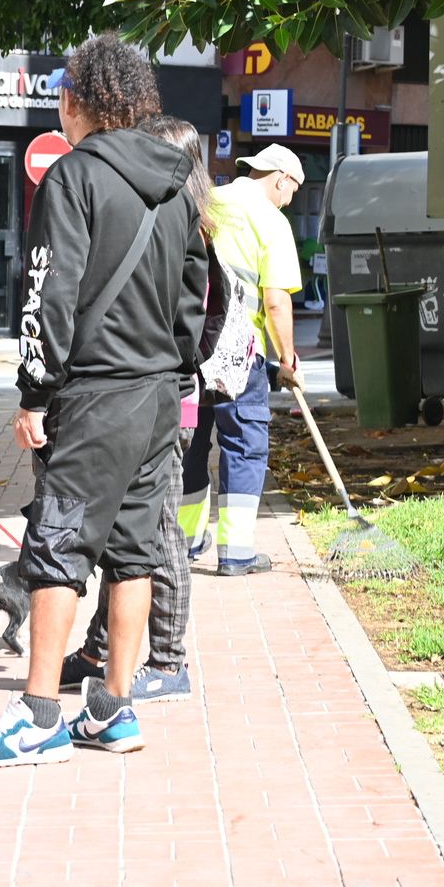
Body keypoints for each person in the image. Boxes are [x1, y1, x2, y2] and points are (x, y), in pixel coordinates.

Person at [0, 35, 207, 767]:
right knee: (135, 553)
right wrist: (176, 372)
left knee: (58, 545)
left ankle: (37, 715)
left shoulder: (73, 177)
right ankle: (113, 708)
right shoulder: (177, 179)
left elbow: (46, 293)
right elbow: (196, 289)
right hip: (160, 392)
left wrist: (35, 392)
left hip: (95, 392)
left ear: (79, 100)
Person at [61, 114, 216, 704]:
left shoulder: (190, 224)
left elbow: (197, 322)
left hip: (166, 401)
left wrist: (174, 375)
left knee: (157, 536)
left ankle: (169, 659)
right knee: (124, 534)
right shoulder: (167, 215)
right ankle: (102, 647)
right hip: (148, 393)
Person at [178, 143, 306, 576]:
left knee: (192, 443)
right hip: (238, 352)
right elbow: (275, 303)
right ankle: (236, 552)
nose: (291, 199)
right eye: (294, 190)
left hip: (191, 347)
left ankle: (185, 542)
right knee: (245, 445)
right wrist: (287, 357)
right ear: (280, 178)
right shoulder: (272, 221)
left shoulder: (208, 201)